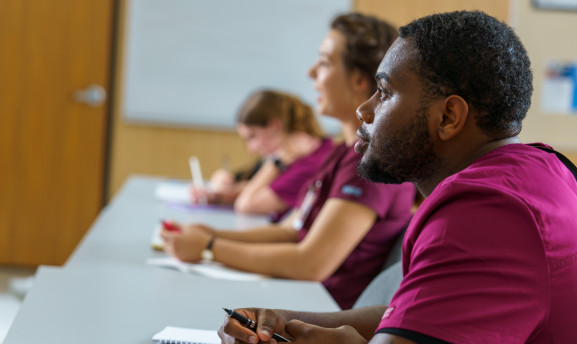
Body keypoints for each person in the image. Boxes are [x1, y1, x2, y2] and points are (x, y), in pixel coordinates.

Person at [218, 10, 577, 343]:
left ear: (449, 116)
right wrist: (282, 320)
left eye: (385, 92)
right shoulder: (542, 168)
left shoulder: (486, 213)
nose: (365, 108)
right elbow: (418, 313)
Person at [162, 13, 415, 310]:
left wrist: (209, 248)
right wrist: (212, 234)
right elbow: (293, 229)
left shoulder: (370, 165)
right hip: (298, 297)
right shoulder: (341, 151)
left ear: (359, 80)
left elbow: (311, 263)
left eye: (323, 63)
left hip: (320, 312)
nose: (311, 73)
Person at [191, 89, 333, 220]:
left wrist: (277, 162)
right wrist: (219, 196)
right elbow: (262, 188)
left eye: (252, 137)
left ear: (274, 126)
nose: (251, 149)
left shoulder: (308, 162)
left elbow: (246, 204)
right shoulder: (312, 151)